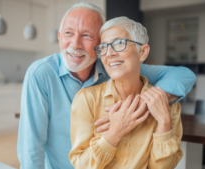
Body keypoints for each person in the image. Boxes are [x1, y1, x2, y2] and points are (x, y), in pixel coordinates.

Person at [17, 2, 195, 169]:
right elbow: (31, 146)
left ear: (97, 45)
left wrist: (148, 104)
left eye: (86, 35)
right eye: (68, 33)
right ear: (59, 36)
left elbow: (184, 75)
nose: (75, 44)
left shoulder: (116, 66)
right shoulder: (41, 73)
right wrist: (116, 130)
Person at [69, 16, 182, 169]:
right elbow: (81, 165)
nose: (109, 53)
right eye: (103, 47)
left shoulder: (166, 104)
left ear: (143, 52)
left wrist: (164, 122)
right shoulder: (87, 99)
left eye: (119, 43)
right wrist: (115, 133)